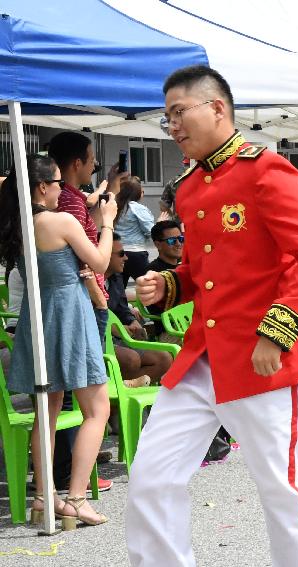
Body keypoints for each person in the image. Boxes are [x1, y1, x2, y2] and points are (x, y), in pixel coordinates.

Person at [126, 65, 298, 567]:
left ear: (217, 108)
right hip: (202, 358)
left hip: (262, 359)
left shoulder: (267, 170)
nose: (173, 125)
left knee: (280, 489)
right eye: (167, 117)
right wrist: (169, 284)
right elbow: (203, 272)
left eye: (180, 112)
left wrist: (278, 333)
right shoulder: (192, 186)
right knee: (152, 477)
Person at [0, 154, 115, 529]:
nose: (61, 189)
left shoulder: (18, 224)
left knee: (45, 413)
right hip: (69, 311)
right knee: (97, 409)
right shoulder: (60, 220)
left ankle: (43, 496)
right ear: (41, 187)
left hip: (38, 315)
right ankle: (77, 497)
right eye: (56, 183)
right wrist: (109, 226)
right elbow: (99, 263)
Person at [49, 131, 123, 494]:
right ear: (77, 163)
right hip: (83, 303)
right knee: (89, 401)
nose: (94, 165)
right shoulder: (68, 206)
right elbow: (89, 260)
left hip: (70, 305)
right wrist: (98, 296)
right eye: (92, 159)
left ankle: (68, 473)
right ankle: (73, 483)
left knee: (60, 400)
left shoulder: (69, 200)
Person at [106, 234, 172, 386]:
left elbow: (122, 308)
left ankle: (126, 388)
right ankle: (118, 395)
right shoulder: (87, 282)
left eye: (181, 239)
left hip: (118, 337)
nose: (126, 258)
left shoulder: (115, 278)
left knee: (164, 359)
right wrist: (116, 328)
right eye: (121, 254)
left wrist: (132, 321)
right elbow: (88, 318)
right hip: (97, 340)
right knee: (132, 359)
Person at [114, 176, 155, 285]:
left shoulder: (116, 206)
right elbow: (151, 231)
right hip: (136, 253)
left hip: (116, 253)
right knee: (148, 285)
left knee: (118, 290)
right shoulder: (138, 208)